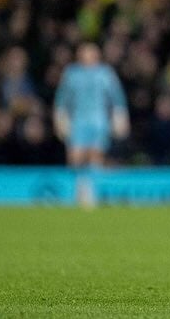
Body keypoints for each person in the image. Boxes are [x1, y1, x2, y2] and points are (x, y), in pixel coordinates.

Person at [53, 42, 130, 207]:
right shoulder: (72, 73)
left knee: (95, 156)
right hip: (78, 121)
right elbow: (62, 99)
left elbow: (117, 97)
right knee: (76, 157)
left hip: (99, 121)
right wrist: (60, 118)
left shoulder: (105, 73)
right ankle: (79, 187)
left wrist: (120, 117)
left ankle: (91, 191)